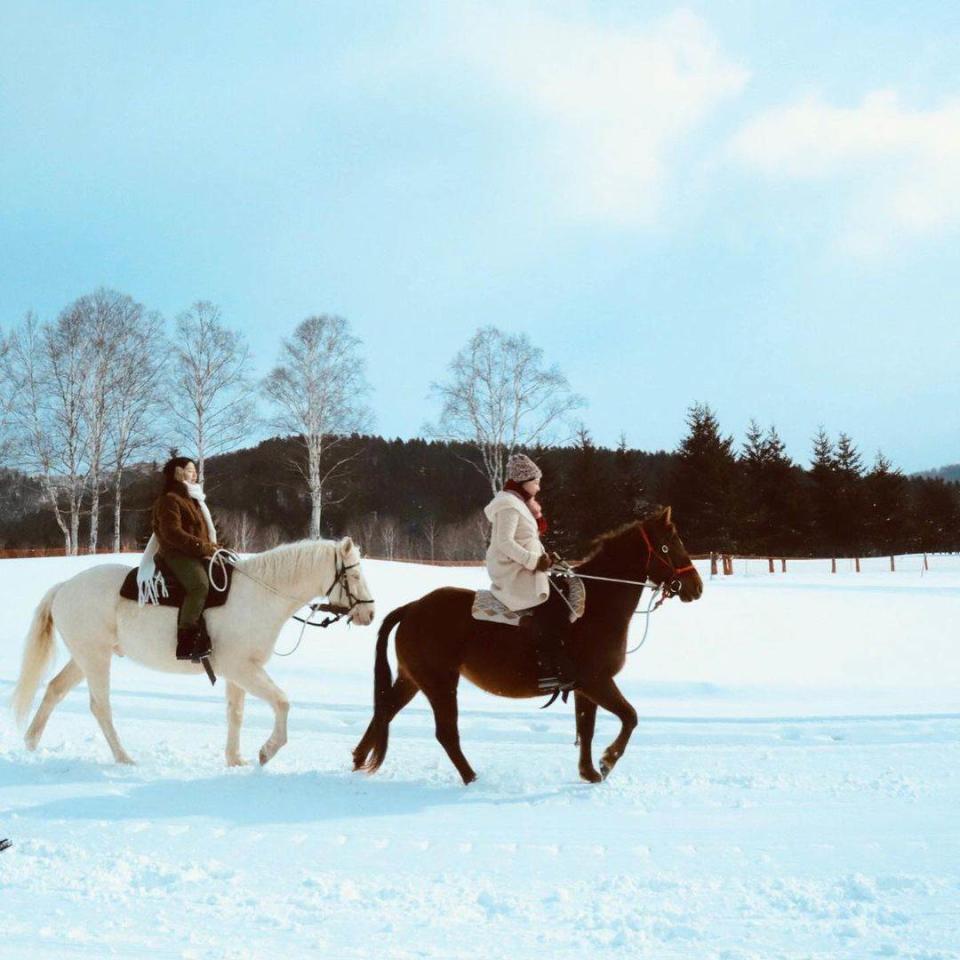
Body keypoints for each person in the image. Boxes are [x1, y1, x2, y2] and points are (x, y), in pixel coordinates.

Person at [483, 453, 576, 693]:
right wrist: (535, 562)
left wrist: (547, 559)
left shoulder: (519, 504)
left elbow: (527, 540)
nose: (539, 486)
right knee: (553, 606)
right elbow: (505, 543)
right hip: (512, 571)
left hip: (525, 566)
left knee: (563, 592)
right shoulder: (508, 505)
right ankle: (547, 669)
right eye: (535, 481)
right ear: (523, 482)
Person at [139, 457, 221, 662]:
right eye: (190, 470)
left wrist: (212, 548)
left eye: (195, 471)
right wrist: (203, 547)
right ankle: (187, 639)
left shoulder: (194, 500)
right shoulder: (169, 500)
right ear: (178, 473)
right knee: (199, 585)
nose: (195, 475)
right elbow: (171, 533)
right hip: (176, 554)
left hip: (196, 552)